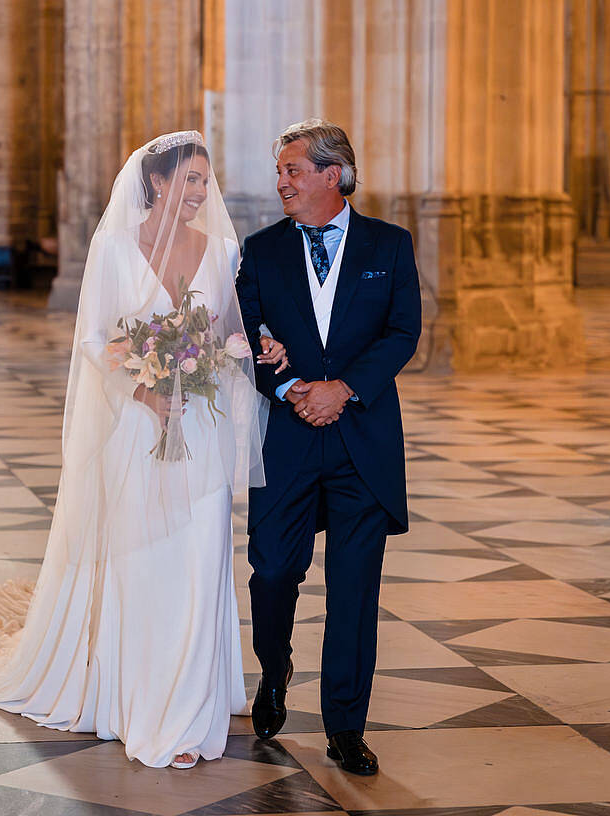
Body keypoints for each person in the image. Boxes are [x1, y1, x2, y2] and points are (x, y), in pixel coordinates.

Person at [0, 132, 286, 769]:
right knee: (147, 561)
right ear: (157, 182)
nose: (198, 194)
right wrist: (146, 387)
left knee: (199, 556)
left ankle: (194, 700)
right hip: (139, 426)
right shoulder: (116, 248)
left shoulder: (220, 249)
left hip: (199, 431)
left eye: (203, 182)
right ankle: (143, 707)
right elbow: (95, 341)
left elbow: (229, 329)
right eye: (188, 180)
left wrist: (252, 347)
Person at [235, 119, 421, 776]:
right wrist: (287, 387)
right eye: (280, 171)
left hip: (361, 442)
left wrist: (343, 388)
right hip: (286, 439)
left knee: (353, 591)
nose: (280, 181)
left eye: (292, 170)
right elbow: (246, 336)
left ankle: (346, 725)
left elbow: (402, 332)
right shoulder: (259, 251)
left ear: (331, 175)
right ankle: (275, 664)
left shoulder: (389, 245)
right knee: (274, 572)